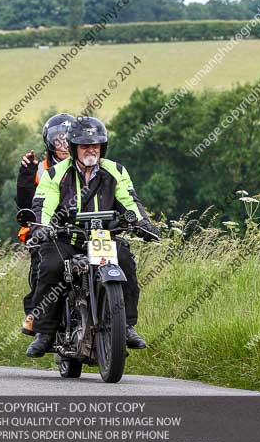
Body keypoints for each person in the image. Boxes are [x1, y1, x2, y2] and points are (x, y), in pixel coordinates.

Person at [26, 116, 159, 357]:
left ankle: (126, 326)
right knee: (51, 267)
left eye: (96, 145)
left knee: (126, 261)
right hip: (67, 238)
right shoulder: (56, 173)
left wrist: (143, 223)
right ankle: (44, 332)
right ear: (74, 147)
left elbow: (129, 200)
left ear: (103, 147)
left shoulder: (116, 171)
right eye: (85, 145)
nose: (91, 150)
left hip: (102, 238)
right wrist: (41, 227)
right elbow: (44, 204)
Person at [16, 113, 76, 336]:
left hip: (82, 228)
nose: (64, 144)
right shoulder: (40, 169)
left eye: (67, 139)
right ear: (50, 142)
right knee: (44, 265)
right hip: (47, 230)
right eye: (58, 139)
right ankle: (37, 319)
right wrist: (26, 176)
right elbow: (25, 204)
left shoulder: (88, 164)